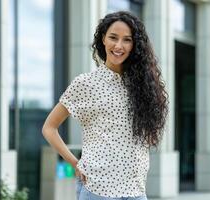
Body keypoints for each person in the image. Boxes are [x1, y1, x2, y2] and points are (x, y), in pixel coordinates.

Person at [42, 11, 169, 200]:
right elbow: (49, 128)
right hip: (98, 190)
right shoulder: (85, 83)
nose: (119, 46)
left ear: (135, 45)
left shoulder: (143, 86)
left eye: (127, 40)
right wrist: (74, 163)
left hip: (136, 190)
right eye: (113, 37)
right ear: (103, 39)